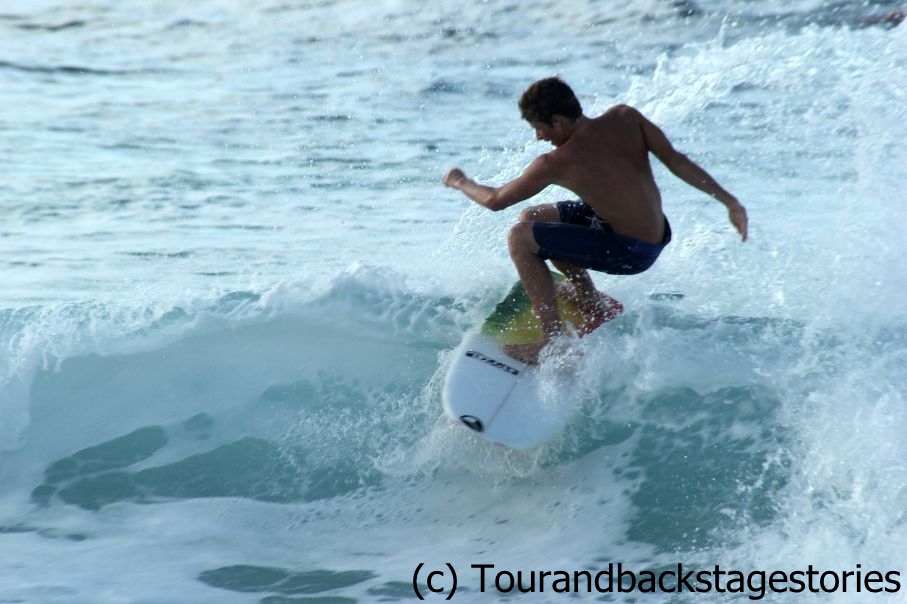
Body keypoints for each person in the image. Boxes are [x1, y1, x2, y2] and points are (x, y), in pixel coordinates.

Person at [443, 77, 747, 364]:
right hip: (651, 233)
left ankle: (552, 342)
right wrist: (730, 202)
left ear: (557, 121)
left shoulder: (556, 162)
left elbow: (495, 200)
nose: (539, 137)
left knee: (520, 238)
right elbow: (677, 161)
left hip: (629, 251)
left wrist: (460, 182)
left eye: (539, 128)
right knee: (533, 218)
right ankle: (590, 301)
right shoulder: (626, 118)